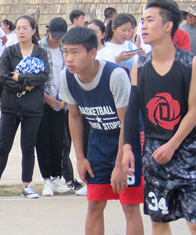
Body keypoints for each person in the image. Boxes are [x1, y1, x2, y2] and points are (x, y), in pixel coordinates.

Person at [119, 0, 196, 234]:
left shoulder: (191, 63)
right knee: (158, 221)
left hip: (187, 151)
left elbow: (194, 111)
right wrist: (127, 149)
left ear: (168, 26)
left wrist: (173, 144)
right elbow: (132, 111)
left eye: (150, 20)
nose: (143, 26)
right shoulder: (140, 64)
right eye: (142, 21)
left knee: (195, 223)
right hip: (154, 153)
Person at [61, 26, 144, 235]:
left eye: (75, 52)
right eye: (65, 52)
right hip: (99, 141)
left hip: (128, 141)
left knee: (129, 206)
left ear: (92, 53)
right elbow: (74, 116)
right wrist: (80, 158)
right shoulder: (67, 77)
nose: (69, 58)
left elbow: (127, 122)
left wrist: (119, 164)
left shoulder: (115, 75)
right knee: (95, 203)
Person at [0, 15, 49, 200]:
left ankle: (27, 186)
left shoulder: (40, 53)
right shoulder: (9, 51)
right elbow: (4, 78)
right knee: (3, 146)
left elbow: (42, 76)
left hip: (32, 107)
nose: (21, 31)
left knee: (28, 147)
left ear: (33, 30)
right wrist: (24, 86)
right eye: (18, 27)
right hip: (10, 106)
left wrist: (20, 77)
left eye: (25, 28)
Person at [36, 17, 73, 196]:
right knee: (43, 142)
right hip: (42, 101)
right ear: (48, 31)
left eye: (61, 37)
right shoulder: (38, 48)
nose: (57, 40)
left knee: (59, 142)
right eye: (55, 36)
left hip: (60, 102)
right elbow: (33, 77)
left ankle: (56, 177)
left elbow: (70, 74)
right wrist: (46, 97)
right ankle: (46, 180)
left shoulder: (65, 49)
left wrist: (64, 98)